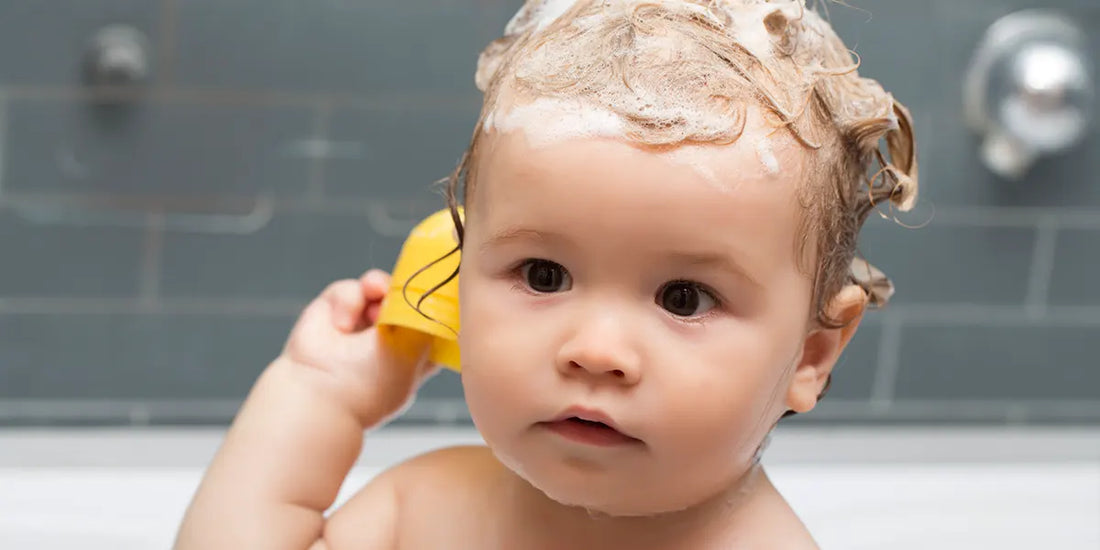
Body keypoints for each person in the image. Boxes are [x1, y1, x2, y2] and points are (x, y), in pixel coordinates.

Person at [174, 1, 918, 548]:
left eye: (682, 297)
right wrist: (322, 396)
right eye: (543, 274)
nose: (594, 349)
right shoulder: (424, 511)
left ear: (812, 354)